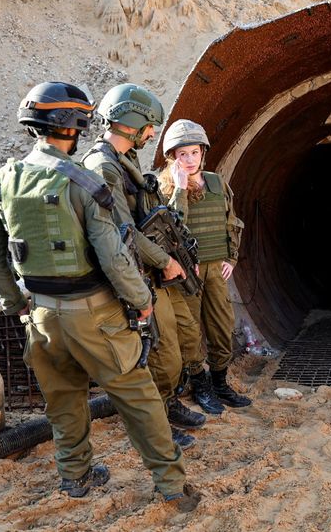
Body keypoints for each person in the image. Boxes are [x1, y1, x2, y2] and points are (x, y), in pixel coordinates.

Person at [0, 82, 198, 510]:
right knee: (139, 398)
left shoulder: (0, 180)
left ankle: (74, 477)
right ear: (73, 126)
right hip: (96, 315)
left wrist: (16, 304)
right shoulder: (82, 182)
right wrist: (141, 301)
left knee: (63, 402)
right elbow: (113, 255)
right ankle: (171, 485)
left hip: (40, 314)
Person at [80, 83, 209, 448]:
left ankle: (167, 404)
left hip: (148, 267)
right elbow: (123, 233)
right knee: (151, 350)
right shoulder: (103, 166)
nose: (153, 134)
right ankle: (156, 423)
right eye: (150, 126)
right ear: (133, 123)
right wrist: (166, 260)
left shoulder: (126, 160)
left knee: (168, 345)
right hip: (131, 272)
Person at [158, 119, 253, 412]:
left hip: (215, 268)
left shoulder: (216, 182)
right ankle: (200, 386)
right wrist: (180, 190)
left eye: (194, 153)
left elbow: (231, 222)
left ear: (203, 153)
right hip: (187, 272)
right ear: (173, 156)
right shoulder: (165, 187)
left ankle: (221, 383)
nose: (189, 159)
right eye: (182, 154)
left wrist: (231, 258)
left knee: (222, 328)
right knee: (189, 333)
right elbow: (171, 228)